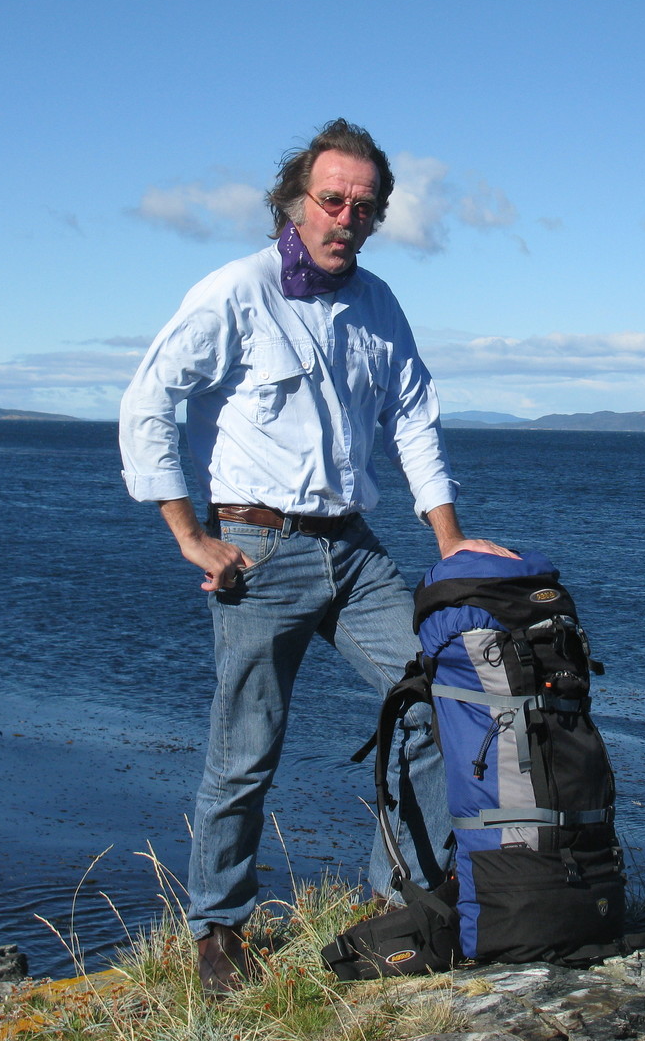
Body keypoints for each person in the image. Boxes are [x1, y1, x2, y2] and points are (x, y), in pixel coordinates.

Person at [118, 119, 513, 992]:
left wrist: (448, 541)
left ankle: (395, 900)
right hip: (257, 549)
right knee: (247, 744)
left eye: (363, 208)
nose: (346, 218)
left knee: (439, 698)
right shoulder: (237, 291)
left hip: (355, 550)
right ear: (295, 203)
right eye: (332, 201)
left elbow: (414, 417)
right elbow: (150, 401)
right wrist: (189, 534)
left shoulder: (379, 304)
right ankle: (218, 931)